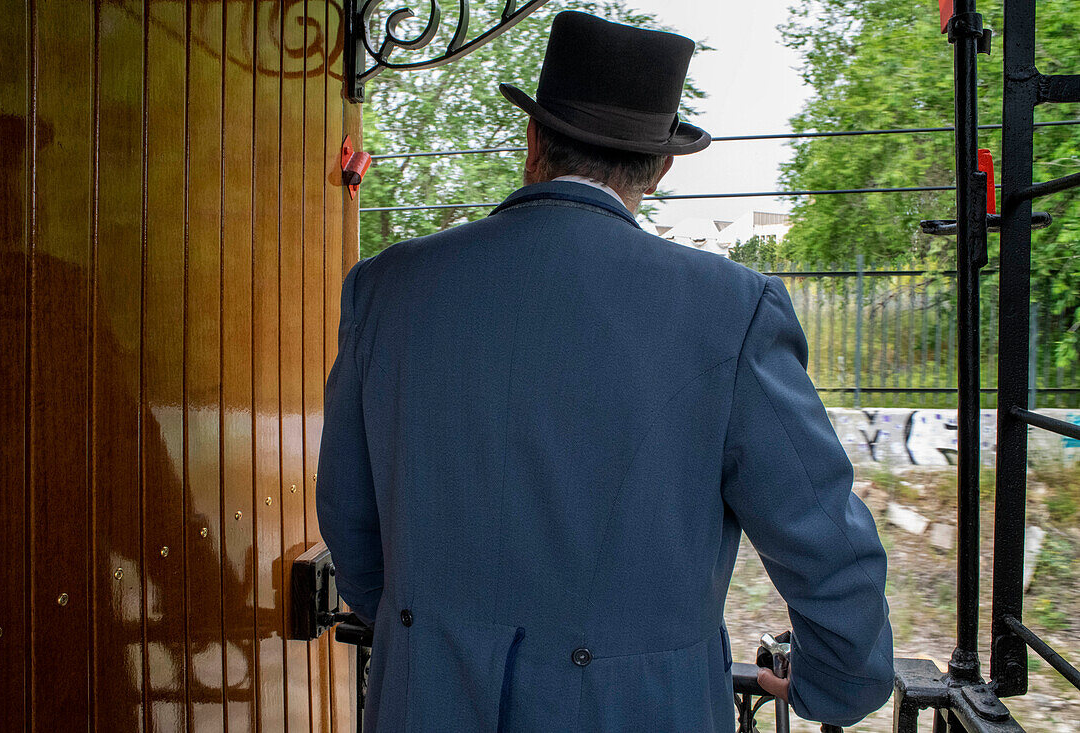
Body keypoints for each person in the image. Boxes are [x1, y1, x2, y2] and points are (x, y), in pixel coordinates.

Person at [317, 11, 893, 732]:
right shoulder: (732, 308)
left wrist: (426, 638)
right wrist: (835, 683)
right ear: (661, 166)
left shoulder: (387, 287)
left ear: (533, 141)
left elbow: (348, 515)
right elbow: (826, 544)